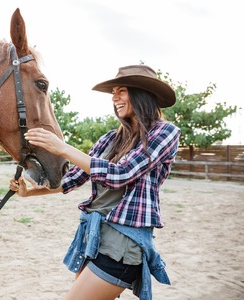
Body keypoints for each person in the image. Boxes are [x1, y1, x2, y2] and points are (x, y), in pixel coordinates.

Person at [10, 65, 180, 300]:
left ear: (142, 93)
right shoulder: (109, 138)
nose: (114, 97)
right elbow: (76, 177)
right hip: (94, 237)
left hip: (123, 242)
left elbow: (122, 173)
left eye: (122, 90)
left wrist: (62, 148)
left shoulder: (165, 132)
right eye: (113, 92)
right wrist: (31, 193)